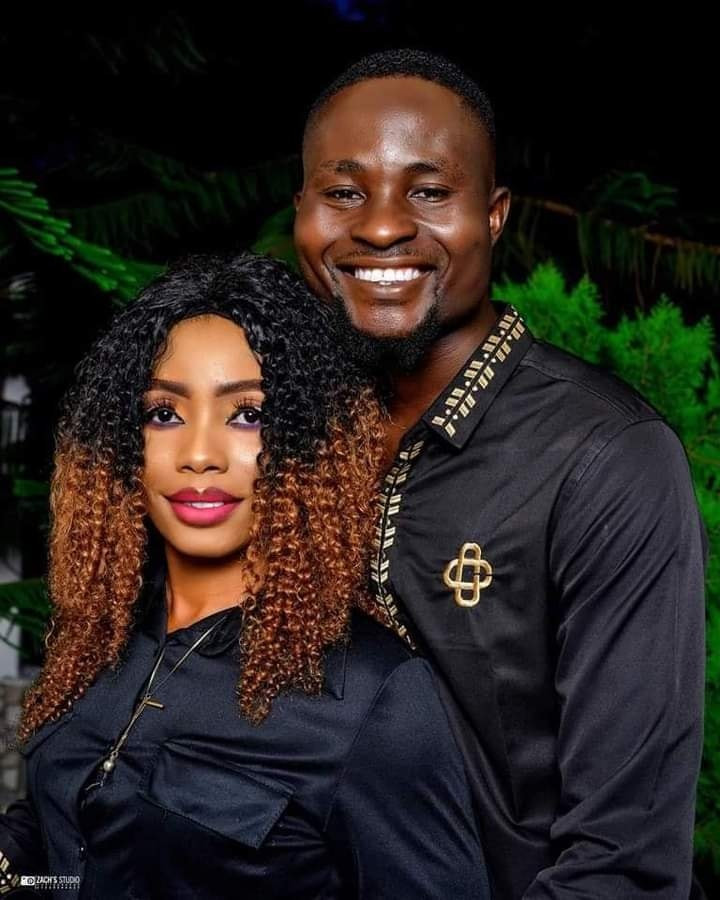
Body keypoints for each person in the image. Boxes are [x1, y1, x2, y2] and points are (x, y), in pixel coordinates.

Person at [293, 49, 707, 898]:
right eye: (343, 192)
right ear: (301, 212)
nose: (380, 227)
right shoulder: (277, 434)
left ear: (493, 215)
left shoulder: (606, 458)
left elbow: (622, 865)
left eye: (428, 192)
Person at [0, 252, 490, 899]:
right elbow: (64, 836)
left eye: (247, 414)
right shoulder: (99, 638)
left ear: (309, 446)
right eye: (164, 413)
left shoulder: (374, 698)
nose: (199, 453)